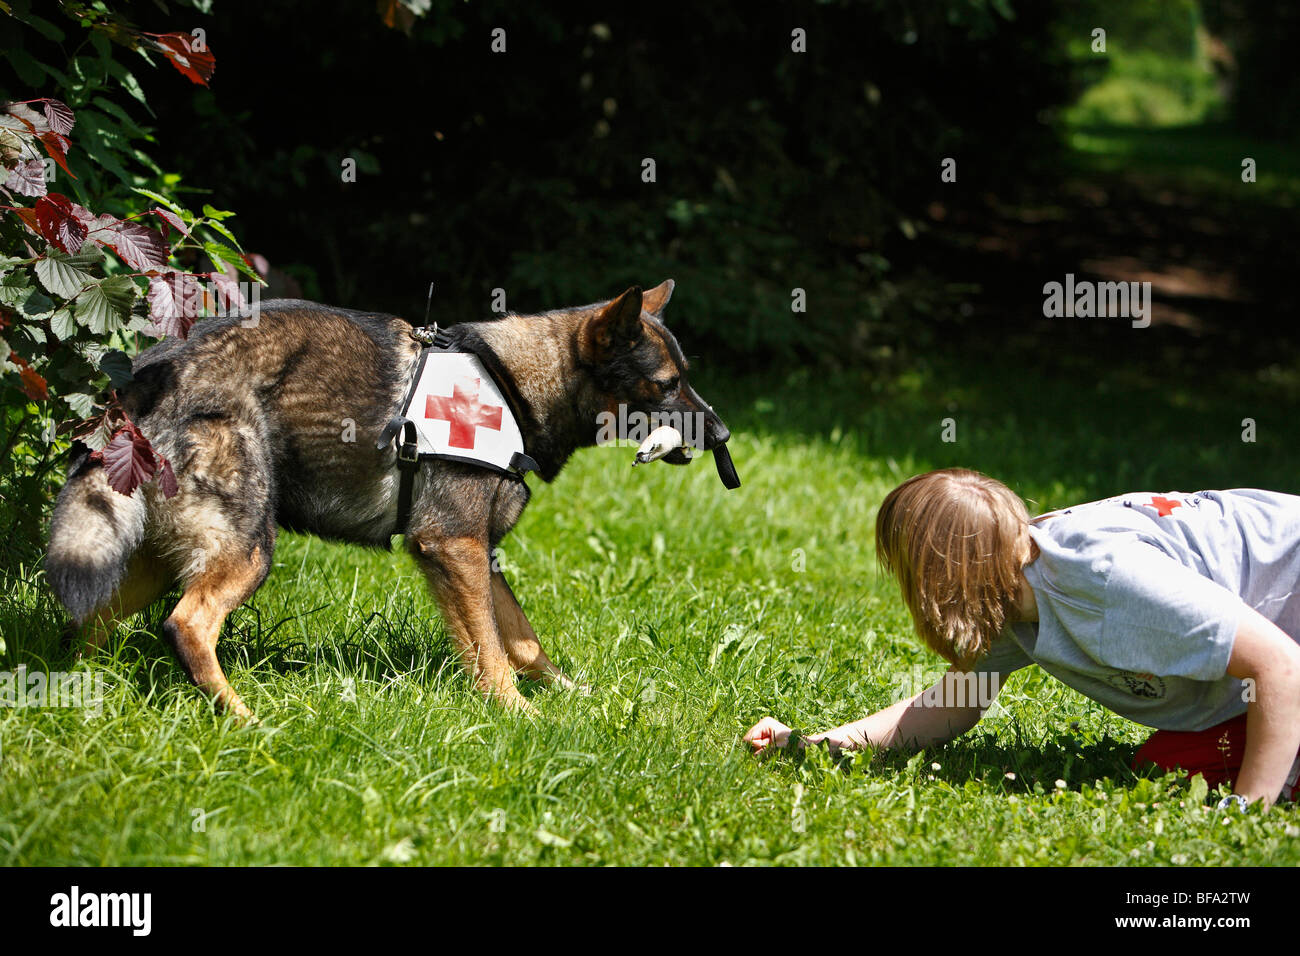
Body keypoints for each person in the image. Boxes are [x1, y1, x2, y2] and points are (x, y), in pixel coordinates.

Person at [744, 469, 1300, 808]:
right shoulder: (1008, 584)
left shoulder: (1108, 581)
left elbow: (1280, 668)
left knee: (1224, 766)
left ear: (938, 580)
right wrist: (815, 747)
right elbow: (947, 708)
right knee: (1167, 766)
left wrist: (1242, 820)